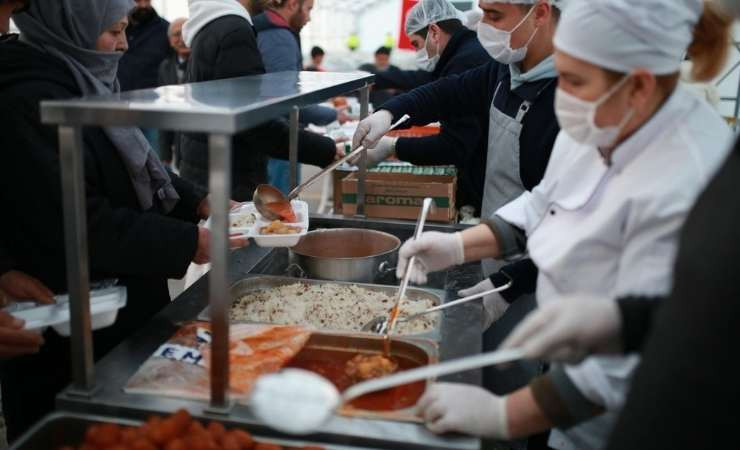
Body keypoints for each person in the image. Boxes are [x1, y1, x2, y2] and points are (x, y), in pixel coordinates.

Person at [402, 1, 732, 448]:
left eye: (575, 81)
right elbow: (543, 204)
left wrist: (503, 416)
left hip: (624, 415)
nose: (563, 96)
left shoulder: (690, 174)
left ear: (637, 86)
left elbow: (623, 370)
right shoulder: (601, 118)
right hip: (570, 365)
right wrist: (459, 246)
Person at [0, 0, 248, 438]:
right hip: (69, 326)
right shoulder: (29, 94)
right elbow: (80, 221)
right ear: (71, 28)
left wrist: (200, 202)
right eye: (113, 31)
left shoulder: (82, 80)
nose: (124, 44)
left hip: (123, 306)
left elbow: (140, 169)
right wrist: (190, 242)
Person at [353, 0, 565, 401]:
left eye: (495, 15)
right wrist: (390, 114)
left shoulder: (566, 100)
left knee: (522, 369)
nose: (482, 25)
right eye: (482, 12)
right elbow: (448, 92)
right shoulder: (507, 70)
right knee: (494, 367)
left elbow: (567, 220)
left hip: (543, 273)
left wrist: (507, 286)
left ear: (539, 13)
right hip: (501, 239)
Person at [180, 0, 338, 201]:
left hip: (209, 168)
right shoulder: (235, 30)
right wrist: (325, 149)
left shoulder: (213, 25)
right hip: (231, 177)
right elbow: (254, 121)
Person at [356, 0, 491, 213]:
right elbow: (430, 88)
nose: (418, 53)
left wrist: (393, 146)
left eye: (416, 44)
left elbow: (454, 146)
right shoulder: (463, 53)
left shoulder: (465, 61)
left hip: (485, 184)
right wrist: (389, 110)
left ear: (434, 32)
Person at [253, 0, 342, 194]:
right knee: (281, 209)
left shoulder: (265, 30)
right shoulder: (279, 38)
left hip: (270, 134)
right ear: (293, 4)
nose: (309, 18)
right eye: (308, 9)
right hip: (279, 139)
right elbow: (286, 101)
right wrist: (332, 115)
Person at [157, 17, 190, 168]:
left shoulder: (204, 63)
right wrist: (165, 153)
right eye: (177, 34)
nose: (182, 38)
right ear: (170, 40)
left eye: (186, 32)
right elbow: (164, 110)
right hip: (178, 142)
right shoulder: (165, 67)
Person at [117, 0, 170, 92]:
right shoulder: (116, 28)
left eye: (147, 0)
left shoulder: (165, 29)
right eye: (137, 1)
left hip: (153, 99)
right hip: (118, 97)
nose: (143, 5)